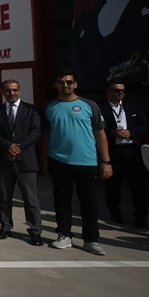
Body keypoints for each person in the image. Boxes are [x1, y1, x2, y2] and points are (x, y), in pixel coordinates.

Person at [42, 71, 113, 255]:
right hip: (58, 161)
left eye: (69, 82)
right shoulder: (49, 106)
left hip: (86, 162)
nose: (65, 85)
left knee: (89, 202)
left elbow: (100, 133)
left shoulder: (89, 105)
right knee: (61, 200)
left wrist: (106, 161)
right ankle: (64, 235)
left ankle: (91, 240)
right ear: (55, 85)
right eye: (61, 82)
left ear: (75, 84)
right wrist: (44, 161)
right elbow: (46, 135)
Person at [0, 79, 44, 245]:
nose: (11, 93)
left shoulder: (31, 110)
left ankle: (35, 231)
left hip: (27, 161)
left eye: (14, 90)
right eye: (7, 90)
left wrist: (18, 147)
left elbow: (36, 132)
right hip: (4, 161)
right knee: (5, 197)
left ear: (20, 90)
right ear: (2, 92)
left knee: (31, 199)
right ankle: (5, 227)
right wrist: (8, 146)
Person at [99, 81, 149, 227]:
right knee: (113, 184)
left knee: (138, 185)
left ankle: (141, 215)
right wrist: (111, 132)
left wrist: (130, 132)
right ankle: (114, 212)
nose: (120, 93)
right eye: (116, 90)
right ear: (108, 91)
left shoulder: (133, 107)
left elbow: (145, 125)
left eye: (122, 91)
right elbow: (94, 128)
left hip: (132, 150)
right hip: (113, 151)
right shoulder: (100, 108)